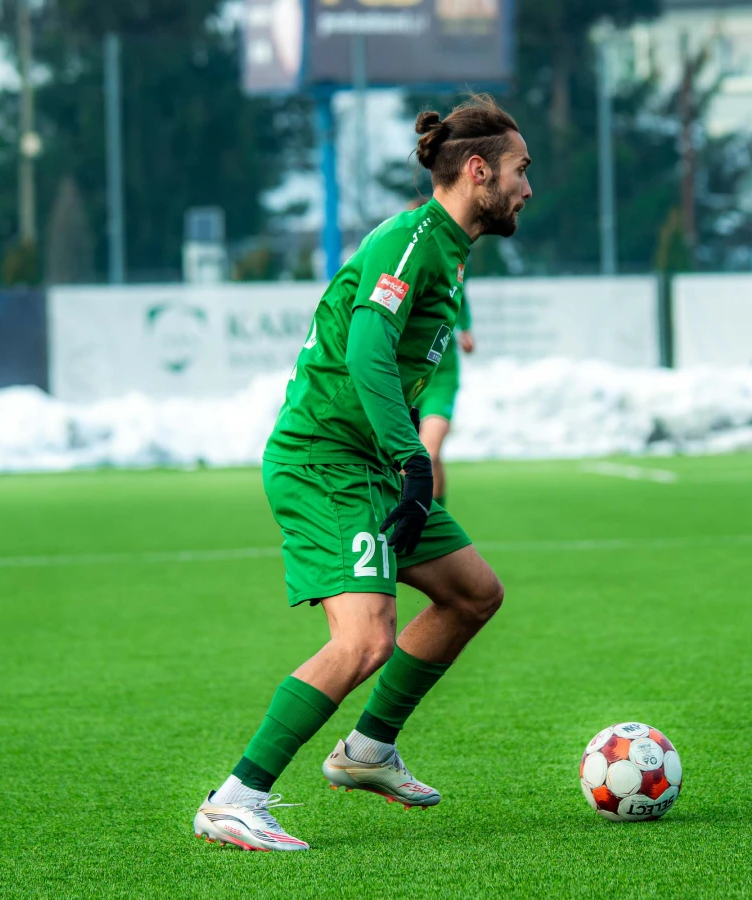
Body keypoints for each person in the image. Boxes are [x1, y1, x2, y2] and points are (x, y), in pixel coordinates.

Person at [193, 94, 533, 852]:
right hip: (325, 462)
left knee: (474, 594)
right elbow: (367, 349)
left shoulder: (448, 251)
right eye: (520, 169)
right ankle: (235, 799)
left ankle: (369, 749)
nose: (527, 187)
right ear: (478, 171)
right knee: (365, 639)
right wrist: (415, 459)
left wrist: (402, 457)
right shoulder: (409, 240)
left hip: (370, 463)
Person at [415, 294, 474, 507]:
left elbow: (459, 293)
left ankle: (434, 518)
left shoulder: (445, 275)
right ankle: (414, 515)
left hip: (440, 378)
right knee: (406, 462)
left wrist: (465, 329)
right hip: (405, 379)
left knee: (428, 455)